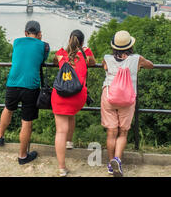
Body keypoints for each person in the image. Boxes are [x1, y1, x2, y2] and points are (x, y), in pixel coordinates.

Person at [0, 20, 50, 165]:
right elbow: (42, 60)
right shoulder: (44, 46)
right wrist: (40, 40)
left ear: (25, 33)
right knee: (26, 122)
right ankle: (22, 156)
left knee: (8, 108)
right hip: (30, 86)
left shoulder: (17, 42)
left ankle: (0, 136)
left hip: (13, 82)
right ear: (39, 34)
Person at [101, 30, 153, 177]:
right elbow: (151, 65)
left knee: (111, 132)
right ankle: (118, 159)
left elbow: (104, 67)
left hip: (109, 95)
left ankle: (111, 164)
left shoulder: (107, 58)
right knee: (123, 132)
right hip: (127, 98)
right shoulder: (137, 59)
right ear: (130, 45)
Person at [52, 30, 96, 176]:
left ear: (69, 40)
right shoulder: (86, 53)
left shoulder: (60, 53)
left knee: (60, 131)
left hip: (60, 95)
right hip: (78, 96)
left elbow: (54, 60)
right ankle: (69, 142)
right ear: (82, 42)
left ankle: (62, 168)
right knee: (71, 113)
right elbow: (93, 62)